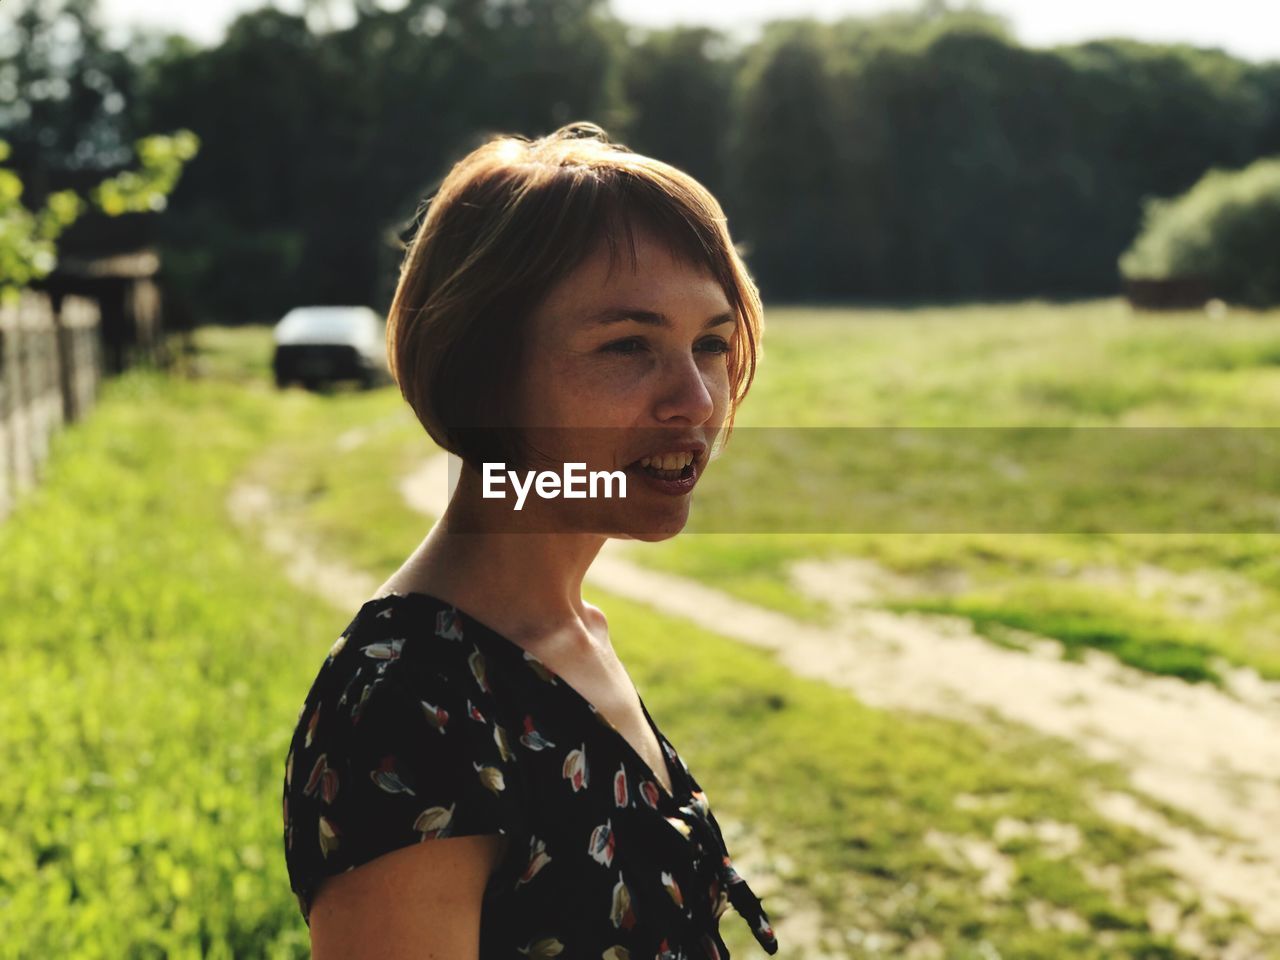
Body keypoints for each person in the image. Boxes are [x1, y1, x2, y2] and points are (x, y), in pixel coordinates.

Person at [281, 121, 778, 960]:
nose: (694, 399)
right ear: (484, 373)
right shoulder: (411, 705)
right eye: (628, 345)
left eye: (711, 344)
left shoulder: (570, 630)